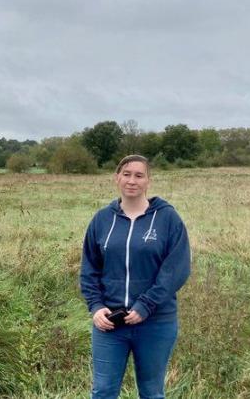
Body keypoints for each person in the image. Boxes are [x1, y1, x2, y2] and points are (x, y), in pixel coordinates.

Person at [80, 154, 191, 399]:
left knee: (151, 393)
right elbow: (89, 268)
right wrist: (96, 306)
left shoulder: (167, 218)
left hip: (156, 323)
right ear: (117, 178)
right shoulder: (102, 219)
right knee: (103, 392)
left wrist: (146, 305)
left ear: (148, 181)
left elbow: (176, 269)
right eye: (127, 174)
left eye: (139, 175)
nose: (132, 180)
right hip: (110, 324)